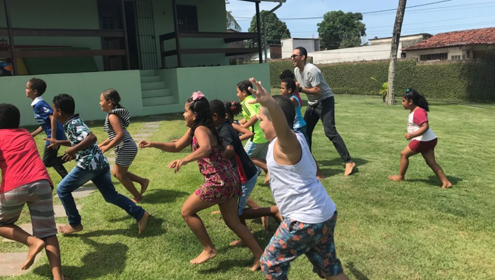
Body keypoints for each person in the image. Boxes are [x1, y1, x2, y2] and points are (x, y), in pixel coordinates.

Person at [138, 91, 263, 270]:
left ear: (195, 114)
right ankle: (260, 255)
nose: (183, 114)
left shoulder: (200, 129)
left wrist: (185, 160)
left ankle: (209, 249)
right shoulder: (197, 128)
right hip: (229, 178)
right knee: (233, 221)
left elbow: (204, 148)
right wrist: (153, 144)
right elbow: (175, 146)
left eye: (186, 111)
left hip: (218, 181)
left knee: (187, 212)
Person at [247, 78, 349, 280]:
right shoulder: (298, 137)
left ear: (276, 121)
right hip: (324, 214)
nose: (259, 124)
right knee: (329, 268)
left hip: (305, 220)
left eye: (262, 120)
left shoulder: (286, 142)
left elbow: (282, 130)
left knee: (270, 263)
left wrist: (270, 104)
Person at [46, 94, 149, 235]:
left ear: (59, 111)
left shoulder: (72, 123)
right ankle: (140, 213)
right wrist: (60, 142)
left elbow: (91, 138)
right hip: (100, 163)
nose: (52, 113)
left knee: (62, 189)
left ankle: (75, 224)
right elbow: (80, 140)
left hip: (89, 165)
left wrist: (73, 149)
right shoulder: (74, 121)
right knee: (110, 195)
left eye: (53, 109)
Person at [0, 104, 66, 280]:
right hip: (42, 182)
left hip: (15, 185)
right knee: (48, 231)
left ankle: (32, 242)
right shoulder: (24, 134)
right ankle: (58, 277)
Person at [210, 99, 282, 243]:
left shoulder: (226, 129)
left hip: (245, 175)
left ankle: (272, 211)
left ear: (216, 116)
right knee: (236, 208)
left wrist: (222, 156)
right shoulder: (227, 126)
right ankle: (248, 230)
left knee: (237, 212)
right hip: (242, 174)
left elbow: (230, 148)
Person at [292, 47, 355, 176]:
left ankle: (348, 161)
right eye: (292, 56)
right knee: (305, 132)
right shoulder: (296, 70)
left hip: (325, 101)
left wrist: (301, 90)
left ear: (302, 57)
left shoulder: (312, 70)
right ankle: (307, 161)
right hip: (312, 104)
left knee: (330, 132)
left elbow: (318, 90)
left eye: (295, 56)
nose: (292, 58)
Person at [388, 89, 452, 189]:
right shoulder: (416, 111)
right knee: (431, 162)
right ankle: (446, 182)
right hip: (430, 140)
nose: (402, 103)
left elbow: (424, 126)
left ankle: (400, 176)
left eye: (403, 101)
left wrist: (412, 135)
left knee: (404, 154)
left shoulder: (417, 112)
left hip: (423, 140)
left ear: (410, 102)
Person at [98, 89, 150, 203]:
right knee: (116, 173)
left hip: (125, 147)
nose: (100, 103)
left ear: (110, 102)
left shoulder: (112, 116)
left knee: (120, 175)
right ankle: (143, 181)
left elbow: (120, 135)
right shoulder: (112, 114)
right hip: (126, 147)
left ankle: (138, 197)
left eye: (101, 100)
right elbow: (114, 135)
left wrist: (107, 148)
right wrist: (101, 144)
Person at [26, 78, 68, 179]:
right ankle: (68, 179)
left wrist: (53, 138)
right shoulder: (37, 104)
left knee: (47, 161)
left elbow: (52, 117)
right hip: (54, 134)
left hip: (54, 135)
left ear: (35, 91)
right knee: (53, 160)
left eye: (27, 88)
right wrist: (32, 135)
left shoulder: (39, 104)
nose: (25, 90)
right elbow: (45, 123)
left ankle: (75, 155)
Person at [237, 80, 270, 184]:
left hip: (257, 135)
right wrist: (237, 124)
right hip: (265, 133)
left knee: (246, 157)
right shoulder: (253, 99)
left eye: (238, 92)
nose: (237, 94)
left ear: (244, 92)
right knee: (261, 158)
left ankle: (269, 169)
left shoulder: (246, 103)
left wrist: (244, 127)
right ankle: (270, 177)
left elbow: (254, 117)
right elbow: (248, 117)